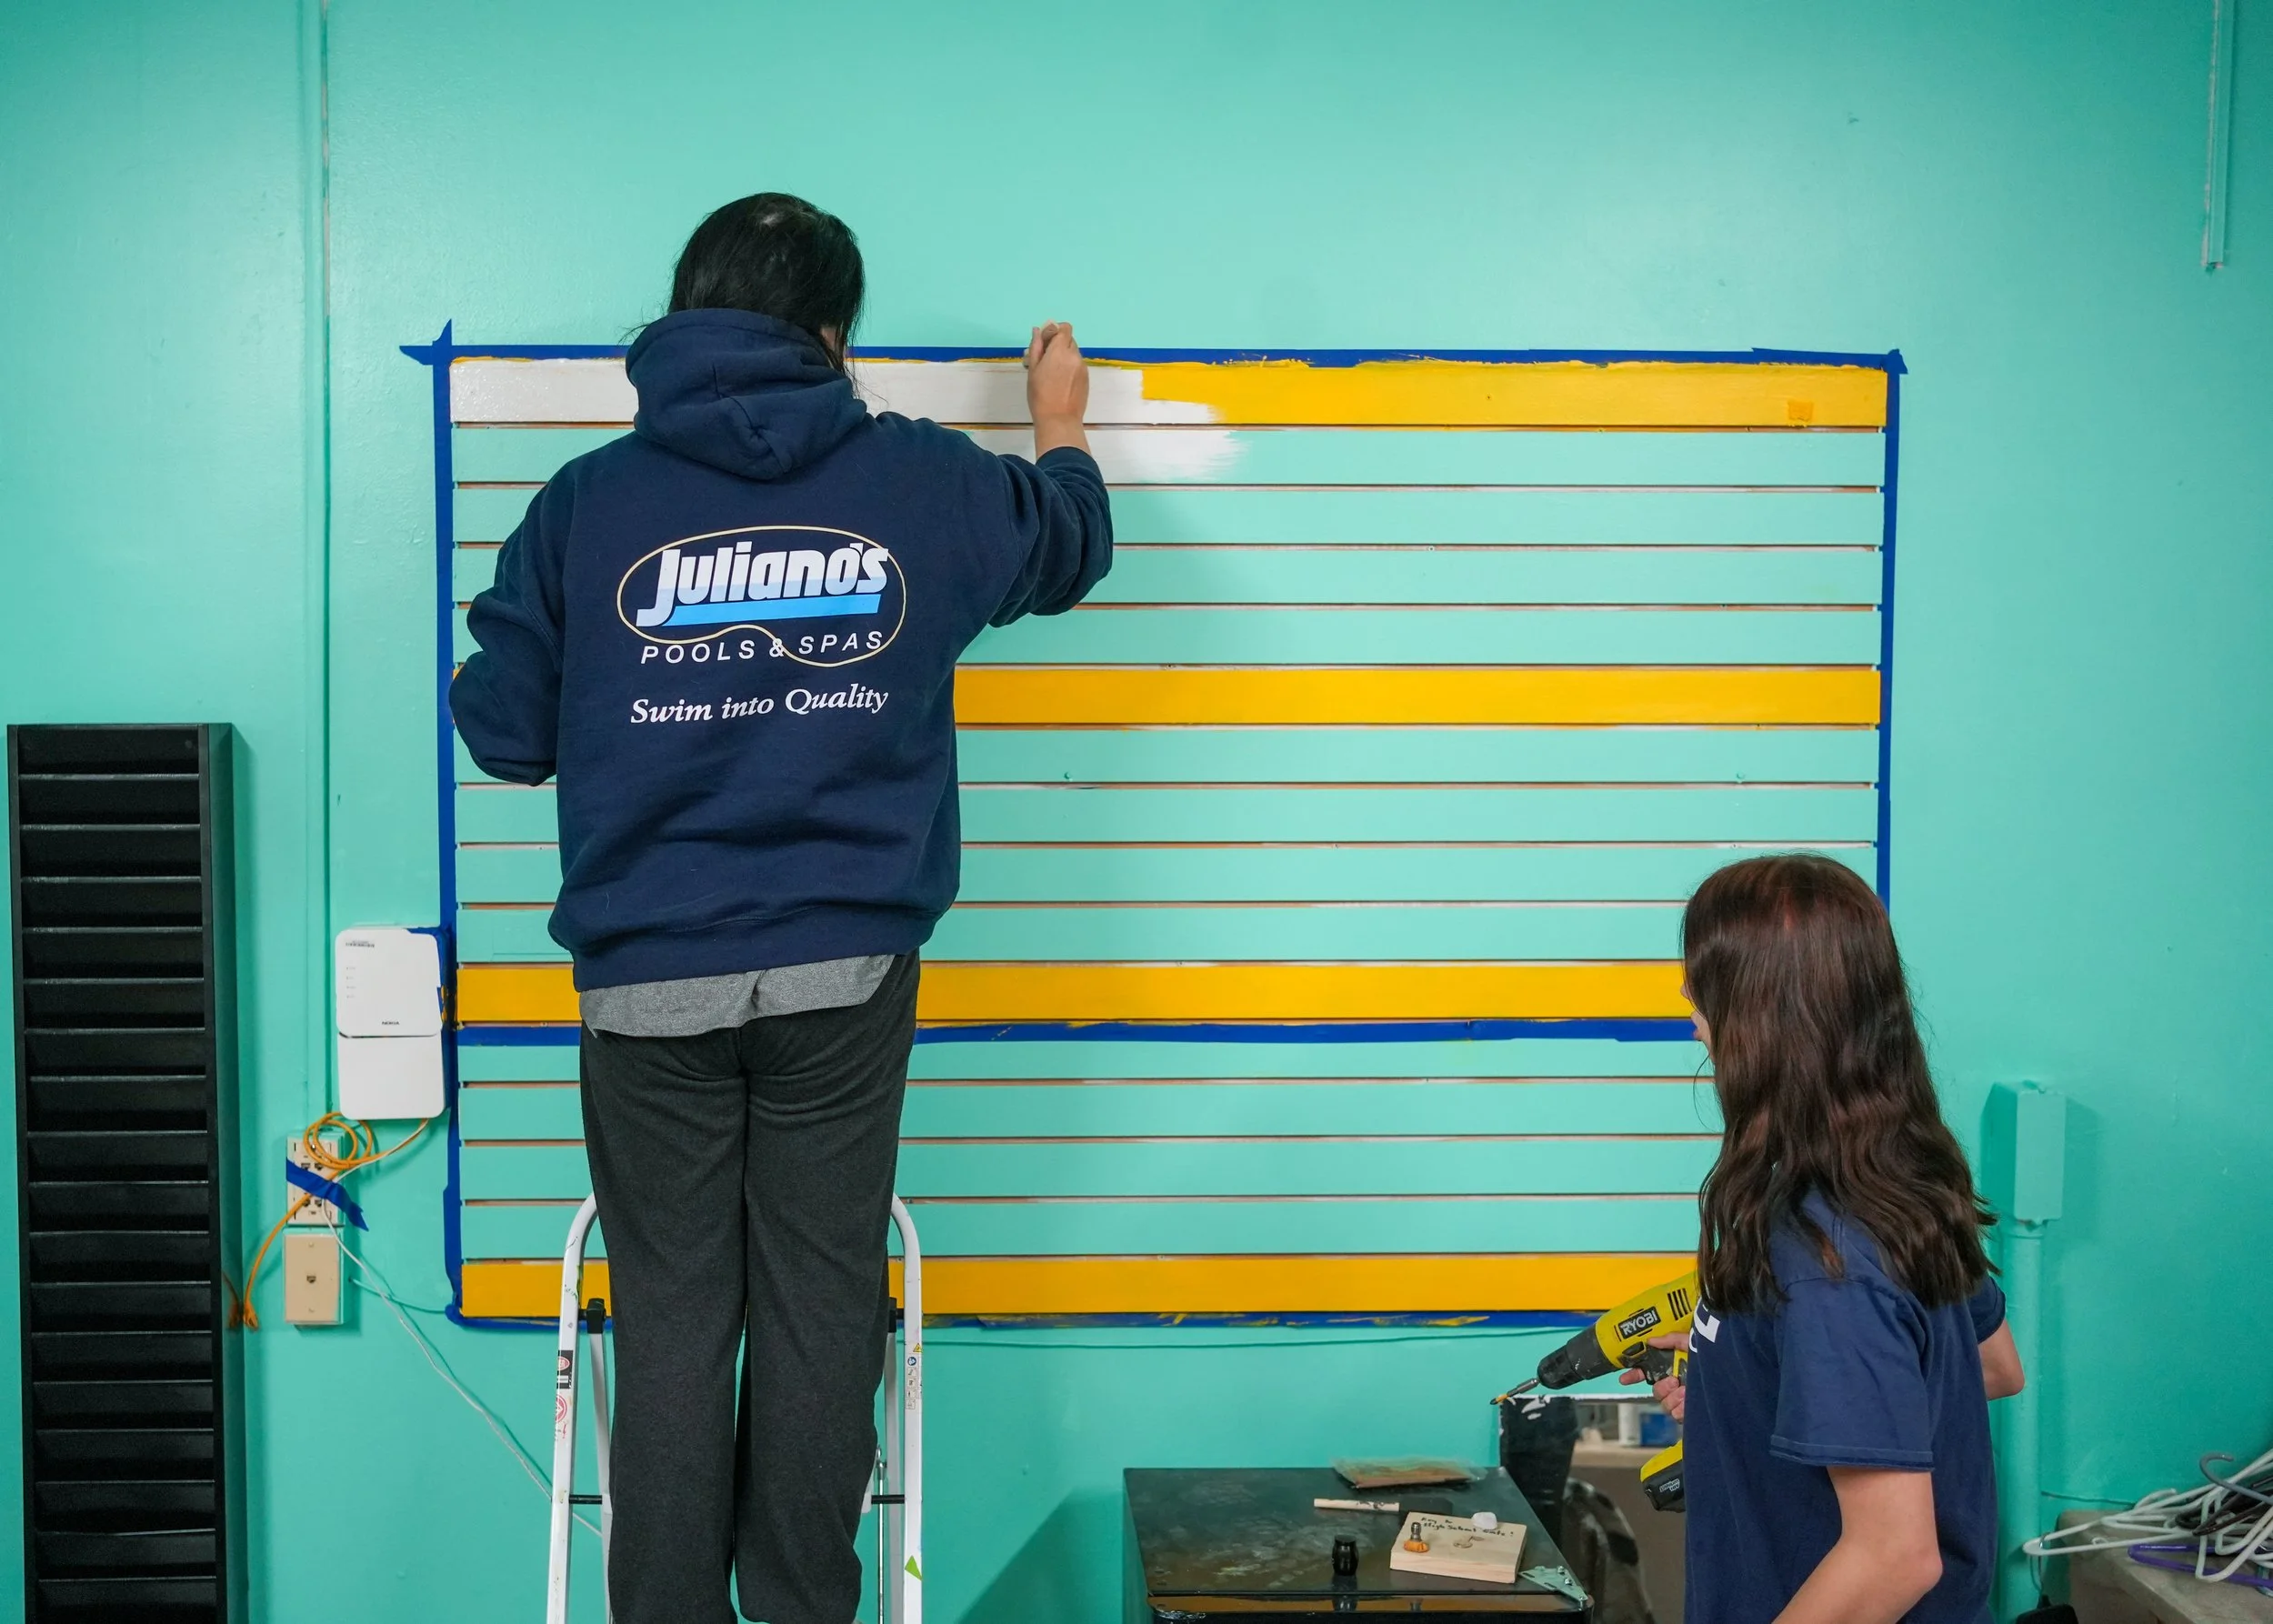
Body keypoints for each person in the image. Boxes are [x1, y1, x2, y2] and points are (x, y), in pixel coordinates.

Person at [449, 192, 1111, 1624]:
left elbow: (501, 730)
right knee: (819, 1307)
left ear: (687, 314)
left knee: (674, 1320)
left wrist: (617, 670)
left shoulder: (585, 505)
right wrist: (1057, 420)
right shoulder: (920, 480)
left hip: (647, 983)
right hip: (844, 973)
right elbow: (1069, 545)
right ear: (829, 333)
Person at [1622, 855, 2026, 1624]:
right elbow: (1991, 1366)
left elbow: (1895, 1557)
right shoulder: (1891, 1179)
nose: (1686, 996)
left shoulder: (1825, 1258)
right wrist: (1758, 1384)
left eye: (1705, 974)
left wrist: (1815, 1370)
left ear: (1763, 1014)